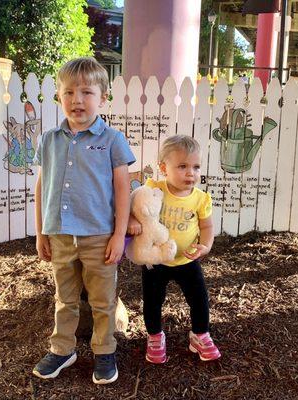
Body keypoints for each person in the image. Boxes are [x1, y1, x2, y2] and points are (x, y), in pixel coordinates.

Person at [32, 57, 135, 384]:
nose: (77, 100)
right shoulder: (49, 140)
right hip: (60, 235)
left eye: (87, 92)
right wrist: (41, 232)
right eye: (69, 92)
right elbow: (42, 187)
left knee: (103, 300)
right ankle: (63, 349)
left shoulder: (112, 140)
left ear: (103, 98)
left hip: (99, 238)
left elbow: (123, 189)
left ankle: (104, 351)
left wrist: (119, 235)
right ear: (59, 96)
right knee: (65, 297)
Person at [127, 135, 221, 364]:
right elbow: (133, 203)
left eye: (196, 167)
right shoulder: (154, 189)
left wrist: (205, 246)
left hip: (187, 261)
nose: (191, 173)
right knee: (152, 300)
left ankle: (199, 335)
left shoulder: (200, 198)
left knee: (199, 298)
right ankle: (155, 336)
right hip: (156, 260)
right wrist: (131, 219)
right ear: (163, 168)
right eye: (182, 166)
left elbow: (207, 226)